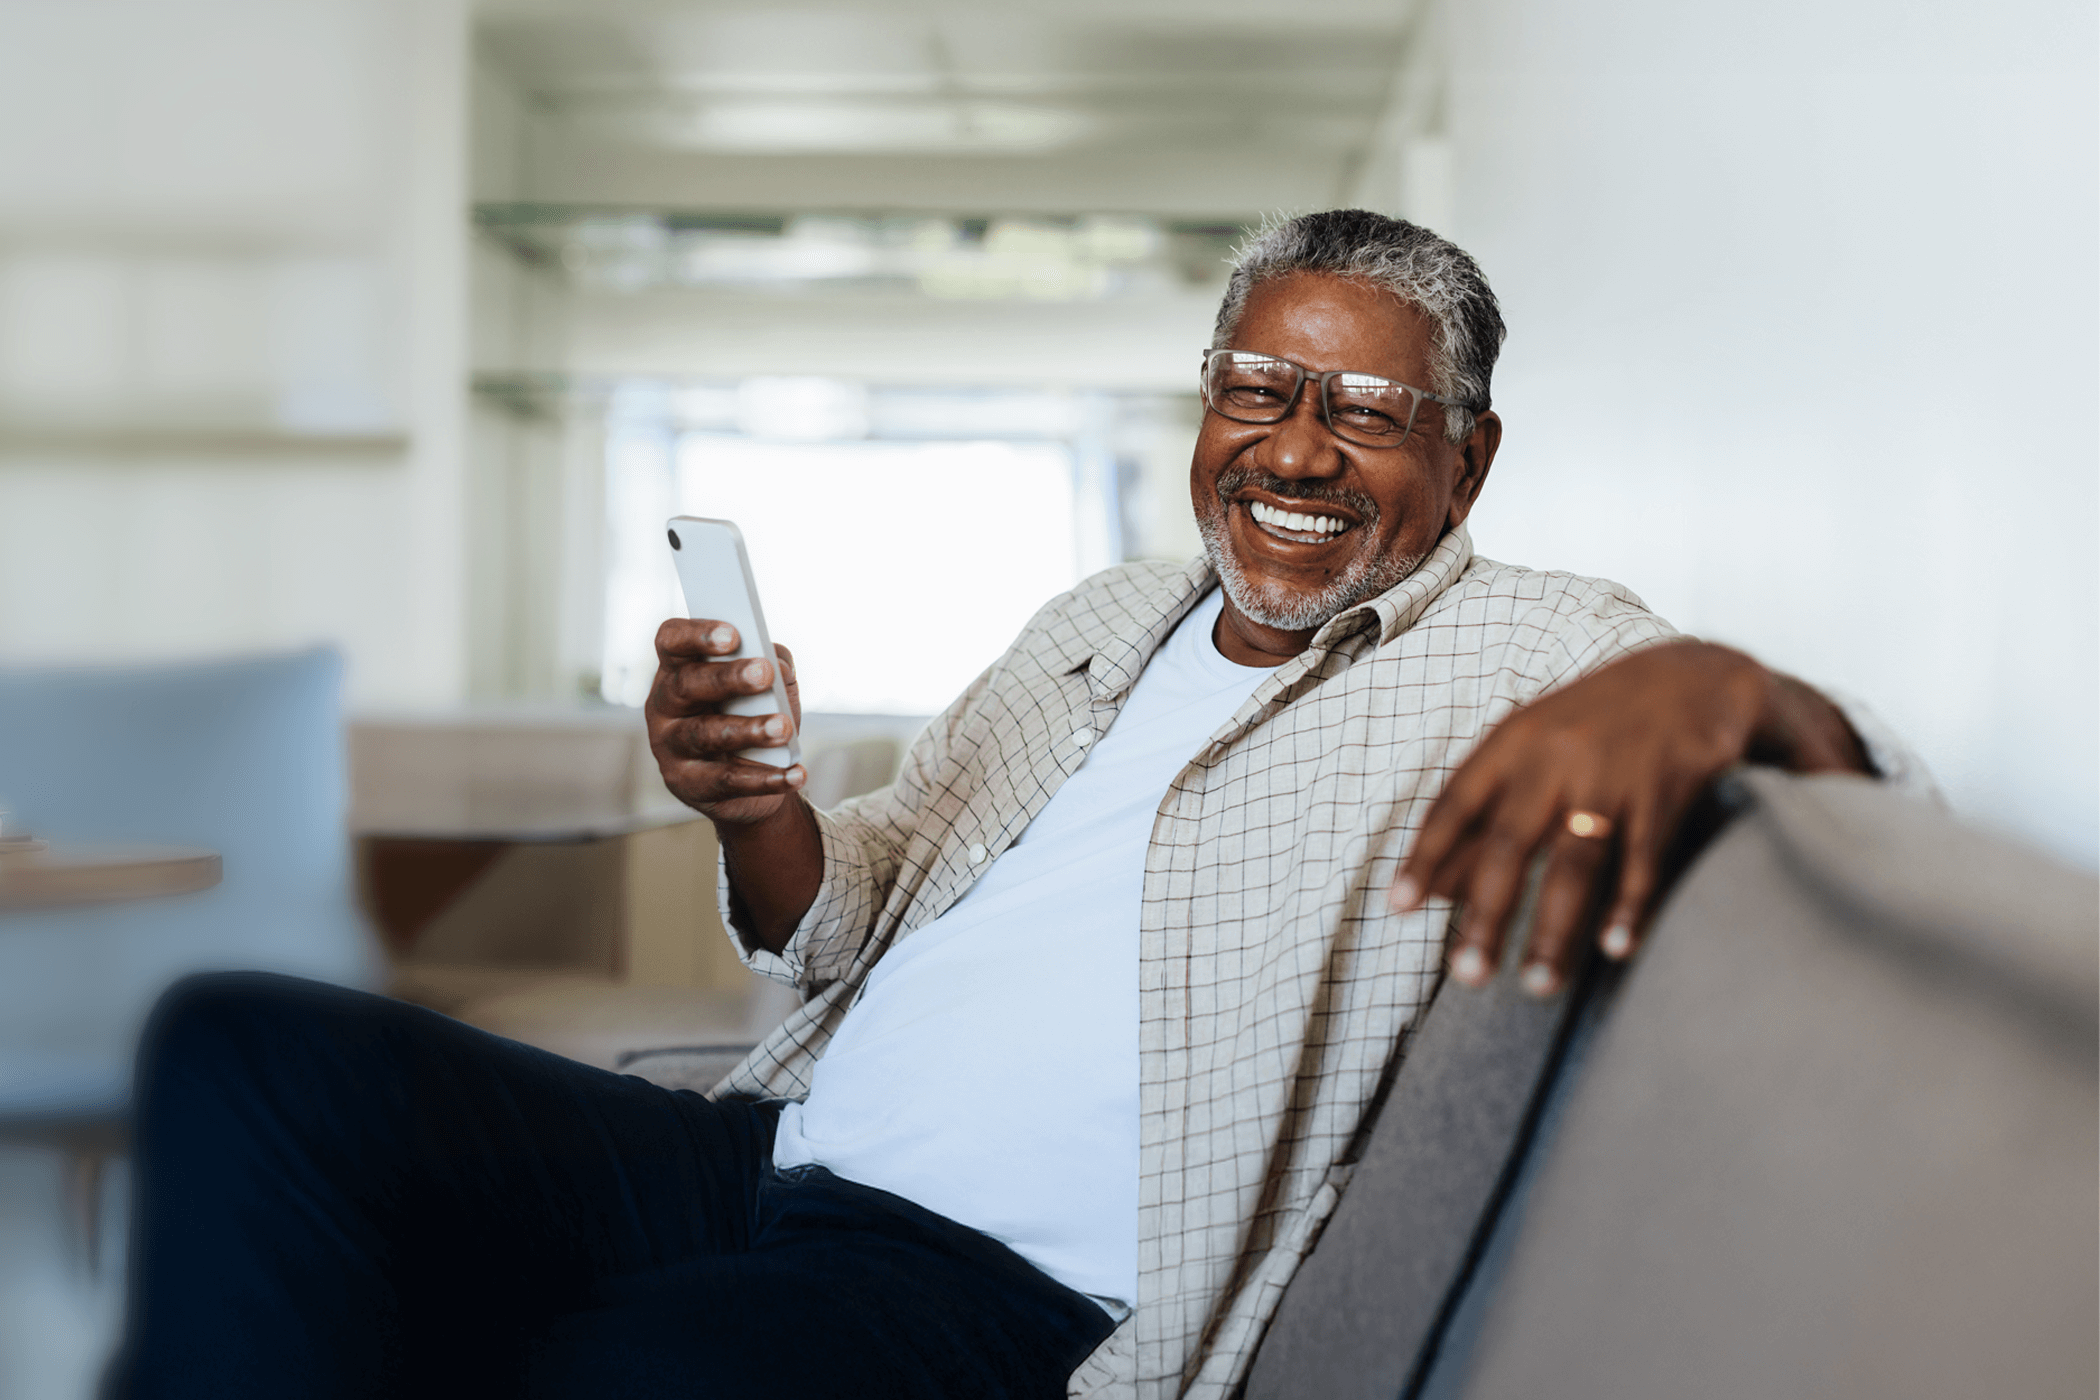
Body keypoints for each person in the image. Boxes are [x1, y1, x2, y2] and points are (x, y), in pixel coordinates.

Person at [108, 210, 1920, 1400]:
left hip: (998, 1292)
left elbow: (1864, 788)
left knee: (597, 1371)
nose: (1294, 450)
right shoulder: (1104, 618)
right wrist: (754, 805)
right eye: (1258, 389)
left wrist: (1723, 685)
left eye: (1366, 411)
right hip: (767, 1152)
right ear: (1204, 404)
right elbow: (862, 895)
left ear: (1469, 459)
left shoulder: (1538, 643)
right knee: (244, 1050)